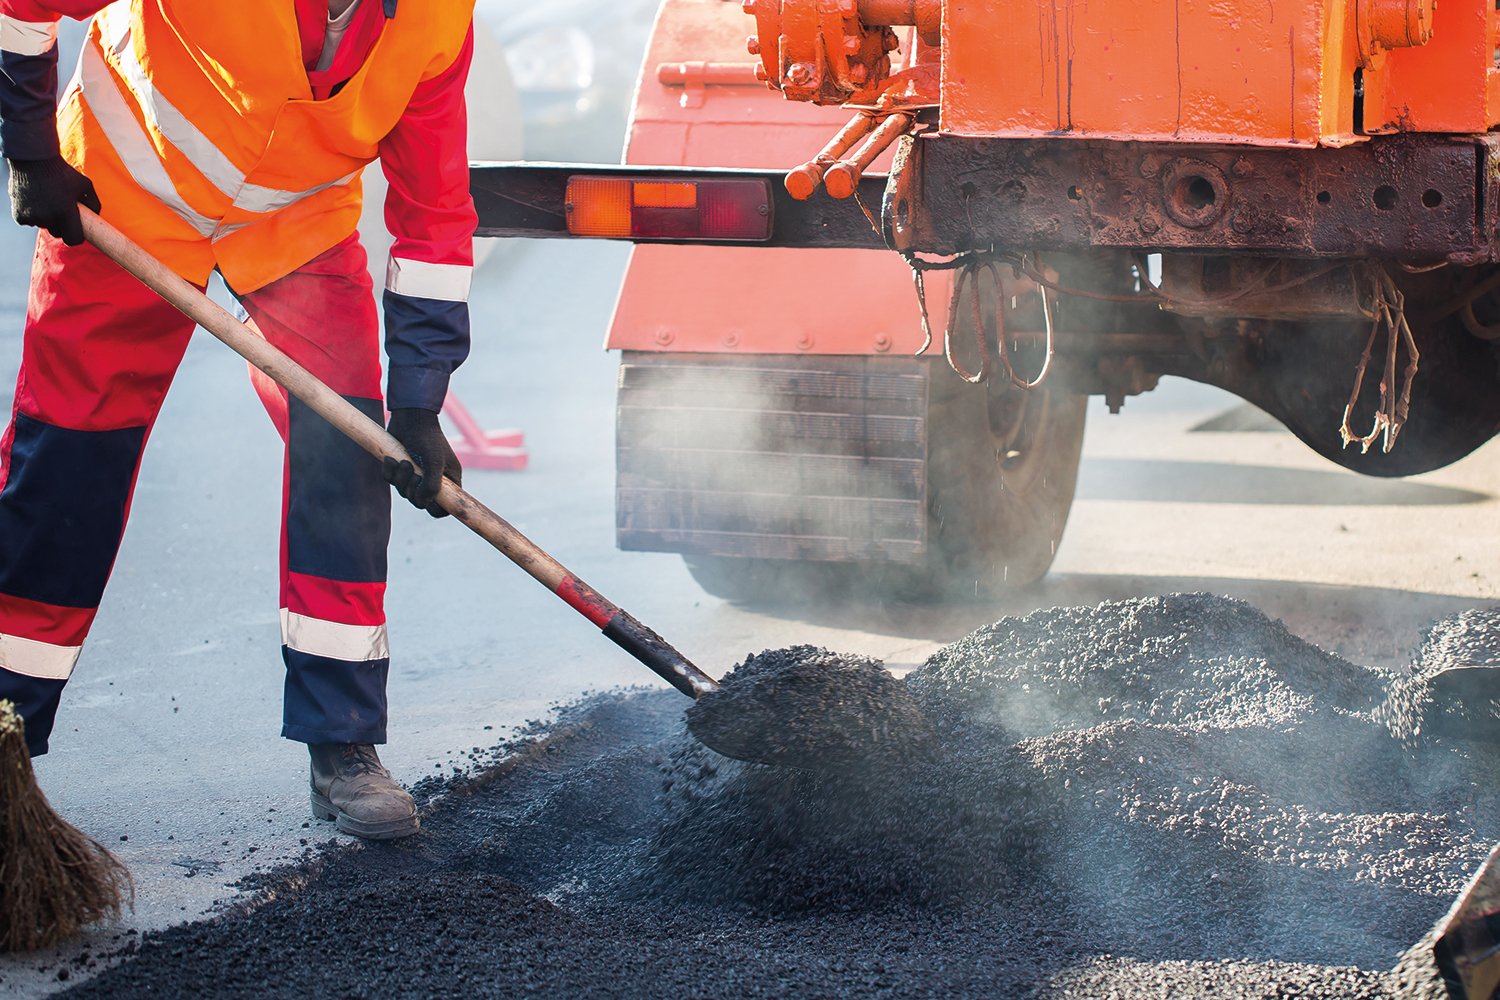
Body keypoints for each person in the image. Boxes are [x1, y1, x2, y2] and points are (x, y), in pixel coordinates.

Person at [0, 0, 476, 840]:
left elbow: (433, 217)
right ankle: (5, 731)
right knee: (69, 468)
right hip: (124, 192)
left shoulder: (438, 20)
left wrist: (419, 402)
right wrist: (31, 145)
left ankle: (344, 743)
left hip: (291, 229)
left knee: (348, 455)